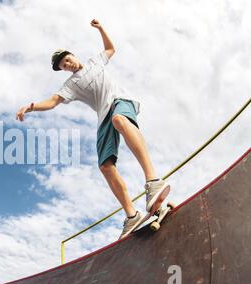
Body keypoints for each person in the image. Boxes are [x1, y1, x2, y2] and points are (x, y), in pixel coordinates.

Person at [15, 19, 170, 239]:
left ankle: (153, 182)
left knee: (119, 120)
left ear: (73, 56)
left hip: (120, 100)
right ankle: (132, 215)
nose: (68, 64)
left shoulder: (95, 62)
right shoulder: (70, 85)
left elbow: (110, 48)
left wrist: (100, 28)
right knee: (105, 166)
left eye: (68, 60)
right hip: (103, 115)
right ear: (62, 70)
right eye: (64, 65)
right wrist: (30, 107)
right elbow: (52, 101)